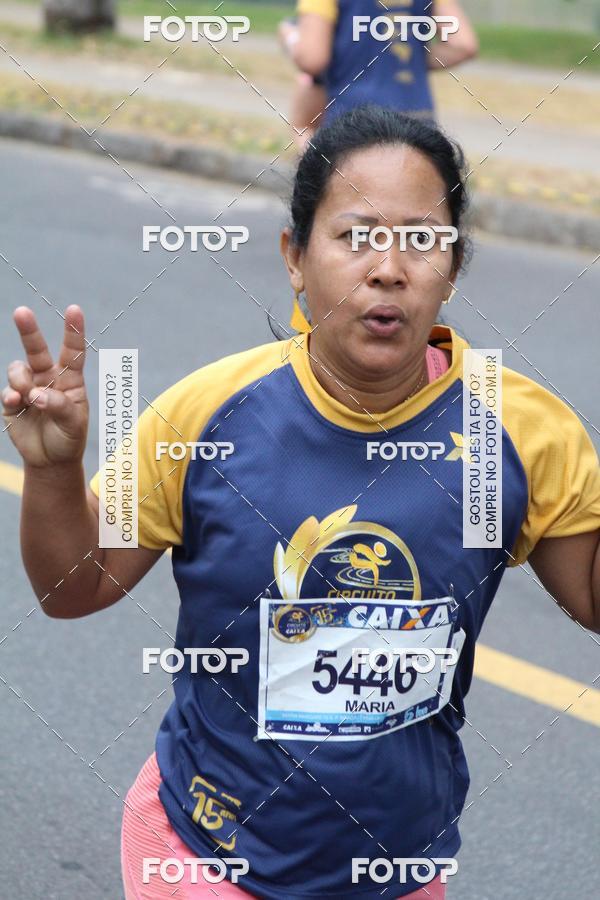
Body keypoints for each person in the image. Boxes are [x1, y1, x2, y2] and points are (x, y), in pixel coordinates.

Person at [4, 106, 600, 899]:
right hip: (202, 858)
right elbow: (73, 589)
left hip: (398, 872)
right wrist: (54, 470)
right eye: (356, 235)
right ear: (295, 257)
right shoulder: (208, 417)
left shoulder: (519, 430)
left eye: (423, 239)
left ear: (452, 267)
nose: (389, 267)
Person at [283, 0, 479, 145]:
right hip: (419, 122)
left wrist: (290, 37)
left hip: (352, 124)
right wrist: (409, 59)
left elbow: (312, 59)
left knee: (303, 133)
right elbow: (463, 45)